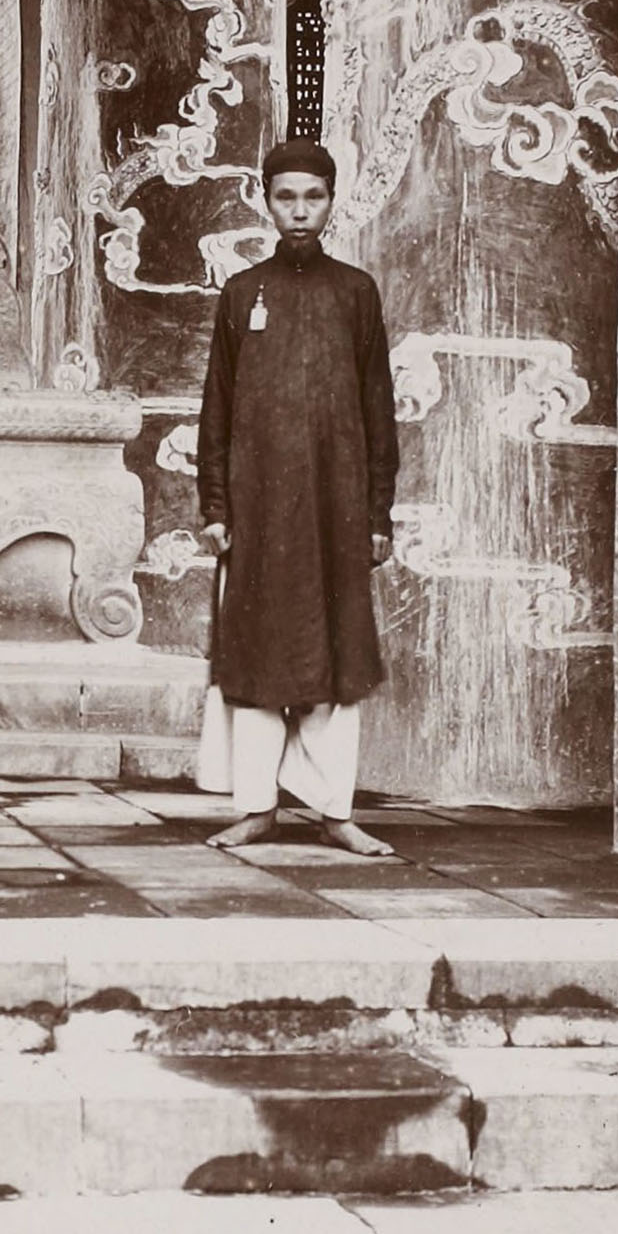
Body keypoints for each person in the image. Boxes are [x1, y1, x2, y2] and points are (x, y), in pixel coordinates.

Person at [196, 137, 399, 854]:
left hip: (336, 512)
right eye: (286, 198)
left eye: (314, 197)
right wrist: (216, 508)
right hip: (256, 512)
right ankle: (256, 808)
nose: (300, 211)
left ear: (332, 202)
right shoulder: (242, 293)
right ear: (267, 202)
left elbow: (378, 412)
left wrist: (376, 514)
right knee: (257, 658)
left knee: (334, 658)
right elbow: (216, 411)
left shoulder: (356, 293)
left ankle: (335, 812)